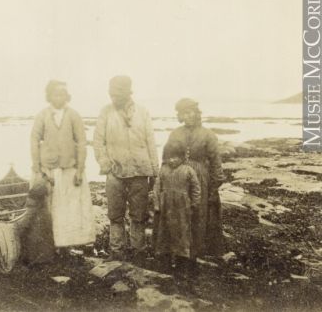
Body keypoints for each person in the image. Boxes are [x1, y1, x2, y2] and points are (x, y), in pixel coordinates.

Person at [93, 75, 159, 261]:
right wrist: (106, 164)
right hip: (115, 173)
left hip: (140, 172)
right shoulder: (105, 112)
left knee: (139, 215)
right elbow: (98, 142)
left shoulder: (142, 112)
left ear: (128, 92)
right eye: (111, 94)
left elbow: (150, 142)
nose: (114, 98)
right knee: (115, 215)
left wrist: (154, 170)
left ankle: (138, 252)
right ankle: (117, 252)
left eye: (118, 93)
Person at [30, 80, 95, 253]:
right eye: (56, 93)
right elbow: (34, 140)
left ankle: (66, 246)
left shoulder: (73, 115)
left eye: (63, 94)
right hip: (48, 169)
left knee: (69, 209)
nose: (60, 97)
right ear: (49, 95)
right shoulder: (42, 115)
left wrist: (80, 169)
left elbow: (81, 141)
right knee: (49, 208)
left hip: (69, 169)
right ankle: (50, 246)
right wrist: (37, 167)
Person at [161, 98, 225, 258]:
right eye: (183, 113)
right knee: (179, 211)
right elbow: (166, 156)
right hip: (178, 178)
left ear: (197, 113)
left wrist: (215, 184)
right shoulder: (175, 133)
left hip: (201, 177)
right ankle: (178, 248)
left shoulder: (208, 135)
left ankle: (197, 249)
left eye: (190, 112)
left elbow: (216, 160)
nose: (187, 116)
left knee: (198, 211)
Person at [153, 154, 201, 280]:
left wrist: (194, 204)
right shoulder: (163, 170)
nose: (172, 159)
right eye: (170, 157)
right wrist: (157, 204)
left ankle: (182, 263)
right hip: (166, 206)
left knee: (182, 232)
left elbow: (196, 188)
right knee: (165, 231)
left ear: (182, 157)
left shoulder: (188, 170)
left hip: (182, 206)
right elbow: (157, 187)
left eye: (176, 157)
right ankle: (165, 262)